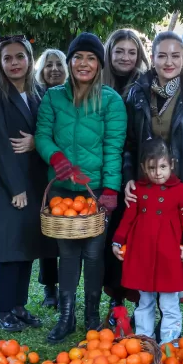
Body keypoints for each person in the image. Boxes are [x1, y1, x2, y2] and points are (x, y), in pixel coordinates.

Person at [123, 31, 183, 342]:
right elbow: (128, 144)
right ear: (152, 57)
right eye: (162, 55)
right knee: (146, 253)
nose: (168, 61)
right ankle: (146, 333)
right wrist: (128, 179)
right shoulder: (137, 93)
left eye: (175, 55)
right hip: (147, 190)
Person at [36, 33, 127, 344]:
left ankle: (90, 314)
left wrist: (111, 189)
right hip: (62, 189)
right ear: (69, 61)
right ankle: (66, 316)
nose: (84, 63)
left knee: (93, 252)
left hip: (95, 191)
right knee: (67, 251)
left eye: (90, 58)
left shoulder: (111, 101)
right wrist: (56, 156)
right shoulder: (52, 98)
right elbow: (43, 135)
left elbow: (114, 149)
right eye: (78, 57)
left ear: (99, 64)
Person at [0, 36, 47, 331]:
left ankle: (19, 305)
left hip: (34, 181)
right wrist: (15, 187)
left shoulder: (37, 94)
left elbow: (46, 132)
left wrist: (37, 142)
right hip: (9, 183)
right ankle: (4, 307)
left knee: (27, 245)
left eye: (19, 57)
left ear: (29, 59)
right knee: (9, 247)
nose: (14, 63)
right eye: (7, 58)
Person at [111, 138, 183, 344]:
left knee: (169, 303)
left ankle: (169, 343)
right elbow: (127, 219)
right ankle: (145, 341)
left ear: (172, 165)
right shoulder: (138, 190)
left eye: (162, 167)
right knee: (144, 301)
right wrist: (117, 242)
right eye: (152, 168)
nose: (157, 173)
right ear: (143, 167)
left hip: (168, 257)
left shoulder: (180, 190)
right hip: (142, 255)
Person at [101, 29, 150, 323]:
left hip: (134, 176)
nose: (126, 57)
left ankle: (138, 304)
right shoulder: (96, 84)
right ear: (109, 53)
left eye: (132, 52)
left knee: (134, 242)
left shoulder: (144, 87)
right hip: (103, 177)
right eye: (119, 51)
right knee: (109, 243)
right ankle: (113, 302)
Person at [32, 48, 68, 308]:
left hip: (67, 171)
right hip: (41, 172)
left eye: (58, 64)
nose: (54, 69)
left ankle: (68, 287)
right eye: (48, 65)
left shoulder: (71, 96)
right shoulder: (34, 97)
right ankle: (50, 289)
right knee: (47, 234)